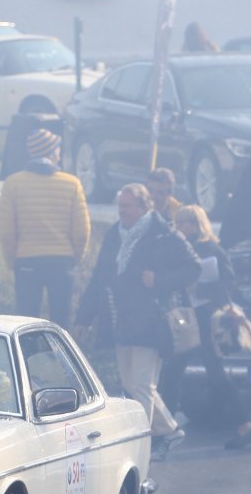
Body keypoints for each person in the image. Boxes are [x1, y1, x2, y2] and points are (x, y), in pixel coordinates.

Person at [74, 184, 201, 455]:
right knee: (132, 385)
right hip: (120, 320)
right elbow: (99, 278)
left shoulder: (163, 233)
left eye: (128, 206)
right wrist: (84, 318)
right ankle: (170, 430)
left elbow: (194, 268)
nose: (122, 211)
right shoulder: (114, 234)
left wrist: (160, 280)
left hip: (152, 322)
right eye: (120, 206)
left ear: (144, 207)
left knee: (142, 385)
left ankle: (141, 446)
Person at [160, 205, 251, 451]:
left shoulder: (213, 249)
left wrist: (202, 289)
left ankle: (166, 429)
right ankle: (244, 425)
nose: (180, 227)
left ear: (198, 224)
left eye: (186, 222)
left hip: (207, 319)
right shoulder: (179, 248)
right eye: (178, 222)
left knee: (202, 373)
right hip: (188, 318)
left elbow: (228, 283)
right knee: (176, 372)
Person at [0, 128, 90, 326]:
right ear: (51, 152)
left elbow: (6, 232)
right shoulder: (72, 183)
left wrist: (12, 261)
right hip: (62, 260)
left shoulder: (13, 183)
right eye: (57, 148)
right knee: (61, 320)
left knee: (26, 321)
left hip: (26, 260)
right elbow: (82, 232)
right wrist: (75, 257)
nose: (59, 153)